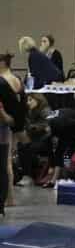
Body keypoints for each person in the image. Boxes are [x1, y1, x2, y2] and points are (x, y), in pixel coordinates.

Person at [0, 51, 25, 214]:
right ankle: (10, 197)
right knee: (8, 159)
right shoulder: (17, 79)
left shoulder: (3, 80)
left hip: (5, 122)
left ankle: (9, 197)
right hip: (14, 122)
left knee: (6, 161)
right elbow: (22, 103)